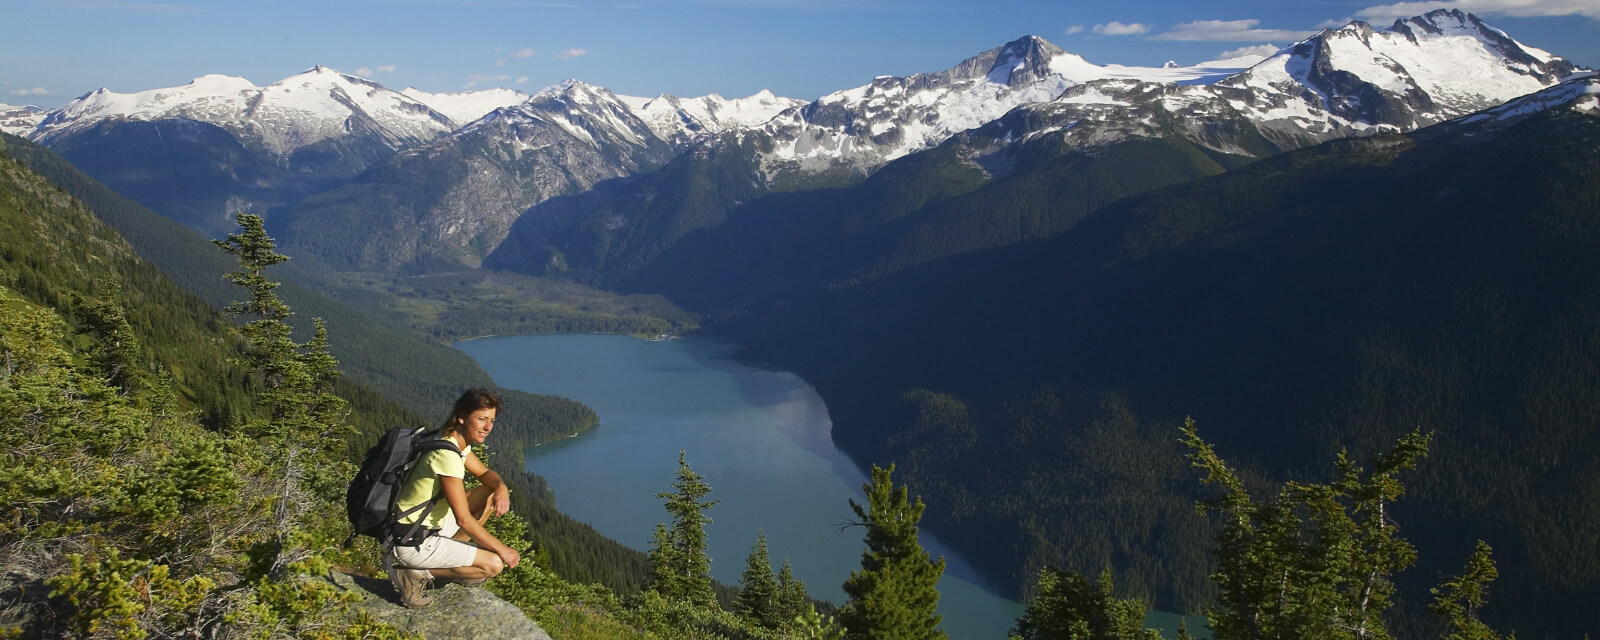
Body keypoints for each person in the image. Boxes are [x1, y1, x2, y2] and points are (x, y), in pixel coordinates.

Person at [389, 388, 522, 608]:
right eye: (481, 419)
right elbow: (464, 520)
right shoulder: (447, 456)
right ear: (461, 416)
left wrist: (500, 487)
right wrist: (502, 549)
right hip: (413, 540)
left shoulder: (449, 440)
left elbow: (484, 474)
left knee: (488, 492)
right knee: (493, 565)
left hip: (419, 524)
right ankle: (416, 575)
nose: (488, 427)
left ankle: (456, 554)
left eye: (492, 420)